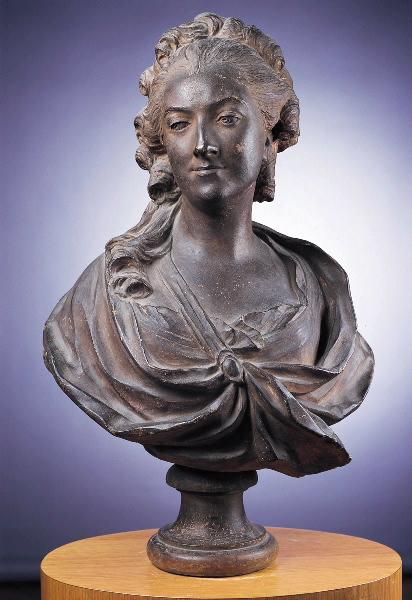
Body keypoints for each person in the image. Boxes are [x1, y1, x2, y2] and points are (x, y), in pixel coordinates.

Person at [44, 13, 374, 477]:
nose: (202, 143)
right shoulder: (106, 293)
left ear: (269, 139)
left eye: (227, 119)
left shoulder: (319, 286)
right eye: (180, 123)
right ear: (162, 144)